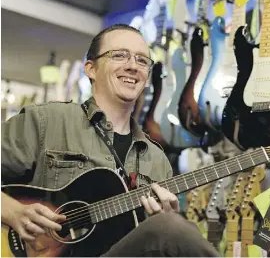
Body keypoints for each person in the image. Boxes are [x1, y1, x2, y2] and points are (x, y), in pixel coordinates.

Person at [1, 24, 219, 257]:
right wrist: (13, 211)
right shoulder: (46, 121)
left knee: (171, 227)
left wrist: (161, 219)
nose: (133, 66)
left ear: (147, 78)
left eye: (142, 60)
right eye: (119, 55)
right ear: (91, 69)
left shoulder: (157, 160)